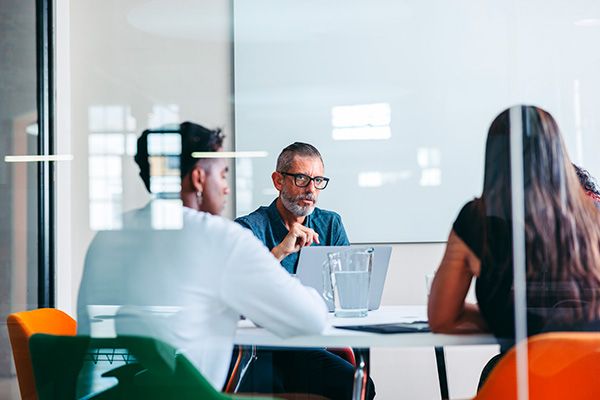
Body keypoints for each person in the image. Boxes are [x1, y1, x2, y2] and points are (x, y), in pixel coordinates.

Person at [77, 122, 328, 391]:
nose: (226, 188)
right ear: (198, 178)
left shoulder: (108, 234)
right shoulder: (220, 237)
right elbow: (310, 320)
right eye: (222, 175)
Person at [427, 105, 600, 387]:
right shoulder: (595, 214)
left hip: (524, 384)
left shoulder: (477, 221)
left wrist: (514, 318)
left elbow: (443, 319)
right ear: (558, 154)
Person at [234, 142, 375, 400]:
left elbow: (349, 293)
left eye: (318, 180)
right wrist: (281, 251)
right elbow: (238, 295)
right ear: (278, 180)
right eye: (301, 179)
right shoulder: (248, 228)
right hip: (262, 347)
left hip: (312, 343)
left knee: (359, 385)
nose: (311, 189)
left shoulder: (330, 223)